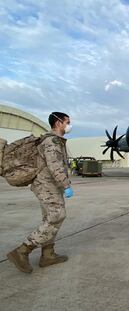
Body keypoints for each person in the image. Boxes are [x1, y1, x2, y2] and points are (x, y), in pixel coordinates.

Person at [7, 112, 74, 274]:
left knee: (49, 218)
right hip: (46, 185)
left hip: (50, 185)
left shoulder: (56, 141)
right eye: (67, 122)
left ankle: (48, 254)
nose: (69, 125)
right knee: (58, 215)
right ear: (58, 123)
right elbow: (54, 166)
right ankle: (22, 250)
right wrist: (66, 185)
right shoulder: (51, 141)